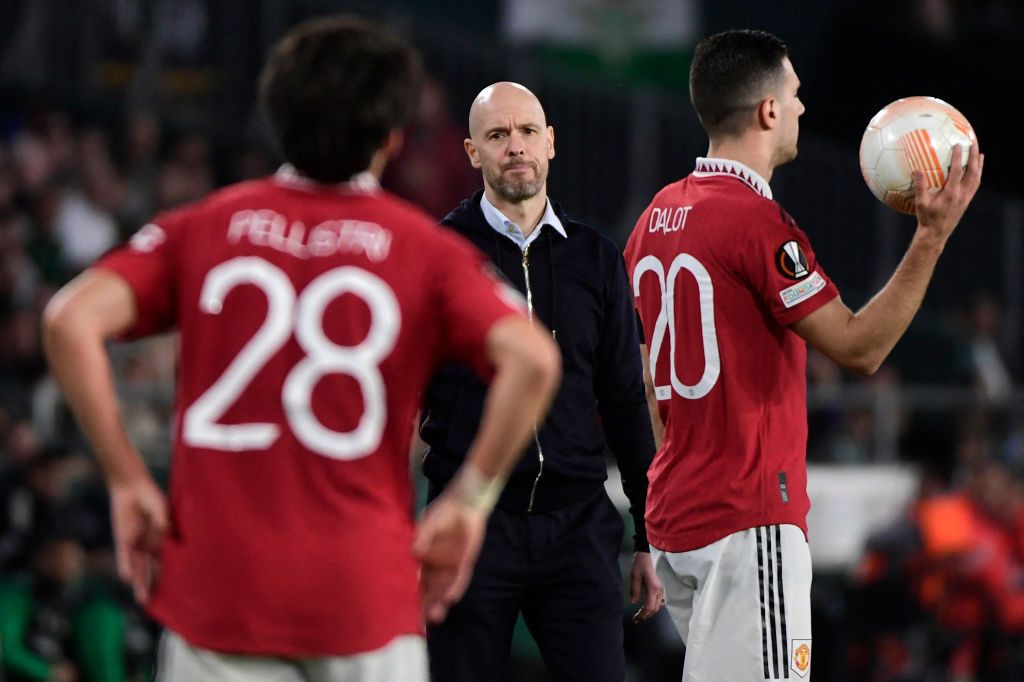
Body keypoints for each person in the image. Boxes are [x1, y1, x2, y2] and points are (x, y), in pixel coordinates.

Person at [40, 16, 561, 682]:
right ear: (390, 137)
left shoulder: (203, 226)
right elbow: (534, 360)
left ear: (274, 117)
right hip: (362, 595)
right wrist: (468, 502)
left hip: (219, 592)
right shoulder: (423, 250)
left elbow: (67, 319)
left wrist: (124, 476)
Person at [624, 29, 982, 682]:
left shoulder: (655, 216)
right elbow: (861, 348)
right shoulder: (758, 224)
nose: (801, 109)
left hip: (677, 516)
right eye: (793, 96)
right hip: (745, 520)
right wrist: (932, 237)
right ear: (765, 111)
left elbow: (648, 378)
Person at [419, 81, 662, 682]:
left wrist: (648, 535)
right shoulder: (440, 253)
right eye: (498, 135)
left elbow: (627, 399)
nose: (516, 147)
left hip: (579, 529)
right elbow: (404, 393)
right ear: (472, 152)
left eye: (528, 132)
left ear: (551, 144)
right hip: (475, 524)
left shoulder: (597, 257)